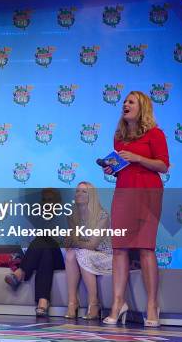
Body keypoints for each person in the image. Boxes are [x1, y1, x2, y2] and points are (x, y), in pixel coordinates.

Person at [102, 91, 169, 327]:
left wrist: (137, 157)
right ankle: (118, 303)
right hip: (123, 194)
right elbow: (123, 167)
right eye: (124, 102)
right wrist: (112, 169)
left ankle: (152, 306)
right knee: (119, 248)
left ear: (142, 107)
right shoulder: (119, 137)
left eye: (130, 102)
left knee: (145, 248)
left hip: (148, 195)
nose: (125, 105)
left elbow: (163, 165)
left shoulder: (155, 133)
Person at [4, 188, 65, 317]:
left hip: (61, 258)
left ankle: (20, 272)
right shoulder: (37, 218)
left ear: (58, 202)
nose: (47, 203)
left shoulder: (65, 217)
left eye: (50, 200)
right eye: (44, 200)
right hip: (42, 258)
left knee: (44, 239)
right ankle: (43, 301)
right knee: (45, 252)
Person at [64, 182, 112, 320]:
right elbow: (69, 243)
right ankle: (72, 302)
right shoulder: (72, 215)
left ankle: (94, 303)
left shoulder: (102, 215)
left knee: (82, 252)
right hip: (85, 252)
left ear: (92, 195)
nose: (79, 194)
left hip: (106, 256)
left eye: (84, 192)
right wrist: (70, 240)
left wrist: (75, 241)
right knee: (70, 254)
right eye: (77, 191)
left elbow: (93, 244)